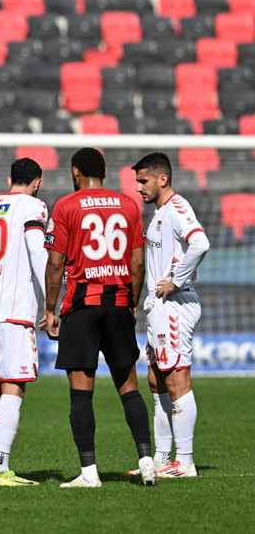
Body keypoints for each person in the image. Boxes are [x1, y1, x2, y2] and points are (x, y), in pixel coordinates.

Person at [43, 147, 156, 488]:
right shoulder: (129, 205)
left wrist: (50, 309)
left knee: (81, 393)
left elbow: (55, 263)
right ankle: (147, 461)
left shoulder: (65, 206)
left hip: (82, 307)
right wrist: (132, 302)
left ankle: (89, 474)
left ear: (76, 172)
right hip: (119, 303)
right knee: (130, 388)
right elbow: (138, 263)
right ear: (105, 171)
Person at [128, 152, 209, 478]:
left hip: (175, 304)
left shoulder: (177, 208)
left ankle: (185, 462)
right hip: (159, 306)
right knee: (157, 380)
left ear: (162, 179)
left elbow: (200, 243)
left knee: (177, 381)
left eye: (143, 181)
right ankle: (162, 457)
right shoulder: (160, 213)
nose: (139, 188)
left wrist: (176, 280)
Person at [0, 158, 48, 487]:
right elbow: (37, 252)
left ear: (9, 178)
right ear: (38, 182)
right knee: (14, 388)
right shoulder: (34, 206)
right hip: (12, 309)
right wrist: (53, 302)